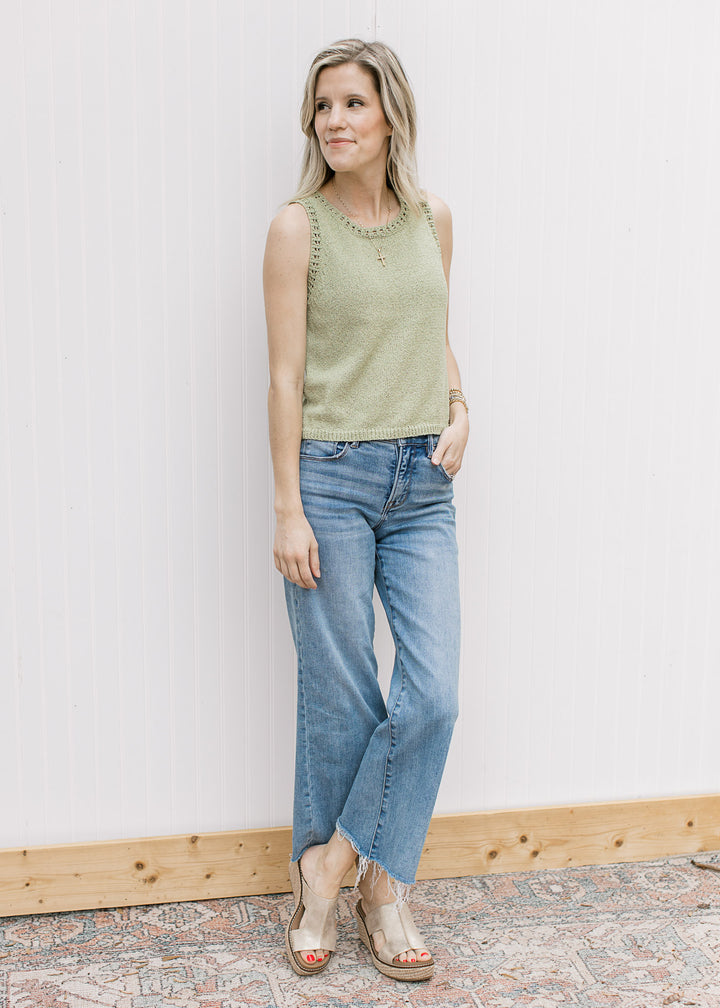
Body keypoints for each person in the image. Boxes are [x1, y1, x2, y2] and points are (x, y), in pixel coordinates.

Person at [263, 38, 469, 982]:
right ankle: (362, 893)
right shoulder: (297, 227)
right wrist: (286, 506)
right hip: (332, 481)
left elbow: (434, 336)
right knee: (342, 698)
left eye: (352, 103)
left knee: (432, 696)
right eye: (322, 107)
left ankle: (345, 874)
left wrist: (463, 410)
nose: (334, 122)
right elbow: (285, 376)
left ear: (391, 112)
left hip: (423, 485)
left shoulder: (434, 217)